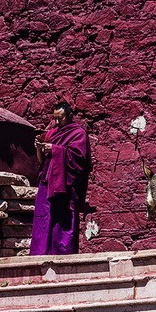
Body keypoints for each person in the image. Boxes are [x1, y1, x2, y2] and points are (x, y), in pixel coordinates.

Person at [31, 101, 92, 255]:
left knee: (62, 222)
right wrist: (39, 148)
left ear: (70, 116)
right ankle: (40, 254)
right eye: (55, 119)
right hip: (47, 182)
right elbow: (41, 161)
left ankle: (62, 254)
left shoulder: (78, 134)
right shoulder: (51, 133)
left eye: (61, 118)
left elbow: (79, 160)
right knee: (43, 218)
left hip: (64, 186)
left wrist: (56, 149)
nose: (57, 122)